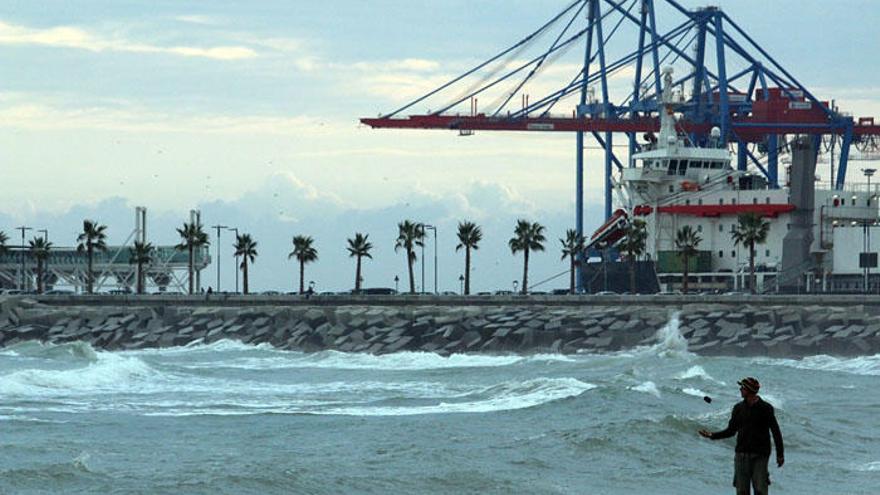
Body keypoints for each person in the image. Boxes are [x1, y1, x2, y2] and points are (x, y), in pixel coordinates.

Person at [698, 377, 784, 495]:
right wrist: (712, 435)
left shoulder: (766, 408)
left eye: (742, 387)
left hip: (760, 455)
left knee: (760, 490)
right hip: (741, 455)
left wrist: (780, 454)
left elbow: (775, 431)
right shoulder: (738, 408)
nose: (740, 389)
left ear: (749, 390)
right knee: (742, 491)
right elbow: (731, 431)